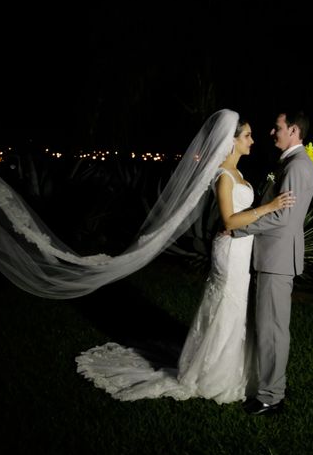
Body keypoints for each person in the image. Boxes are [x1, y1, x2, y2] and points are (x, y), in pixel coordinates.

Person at [75, 115, 295, 403]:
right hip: (229, 252)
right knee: (226, 307)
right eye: (247, 136)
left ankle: (237, 368)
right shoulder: (223, 176)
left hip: (241, 251)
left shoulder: (239, 174)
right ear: (231, 141)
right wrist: (268, 208)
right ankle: (214, 373)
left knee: (238, 309)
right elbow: (229, 221)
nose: (252, 141)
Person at [234, 110, 313, 416]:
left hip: (277, 259)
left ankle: (271, 397)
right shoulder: (290, 163)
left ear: (294, 130)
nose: (272, 132)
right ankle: (269, 385)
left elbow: (282, 217)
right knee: (269, 328)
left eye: (277, 127)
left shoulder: (297, 166)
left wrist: (239, 226)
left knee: (273, 330)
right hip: (274, 257)